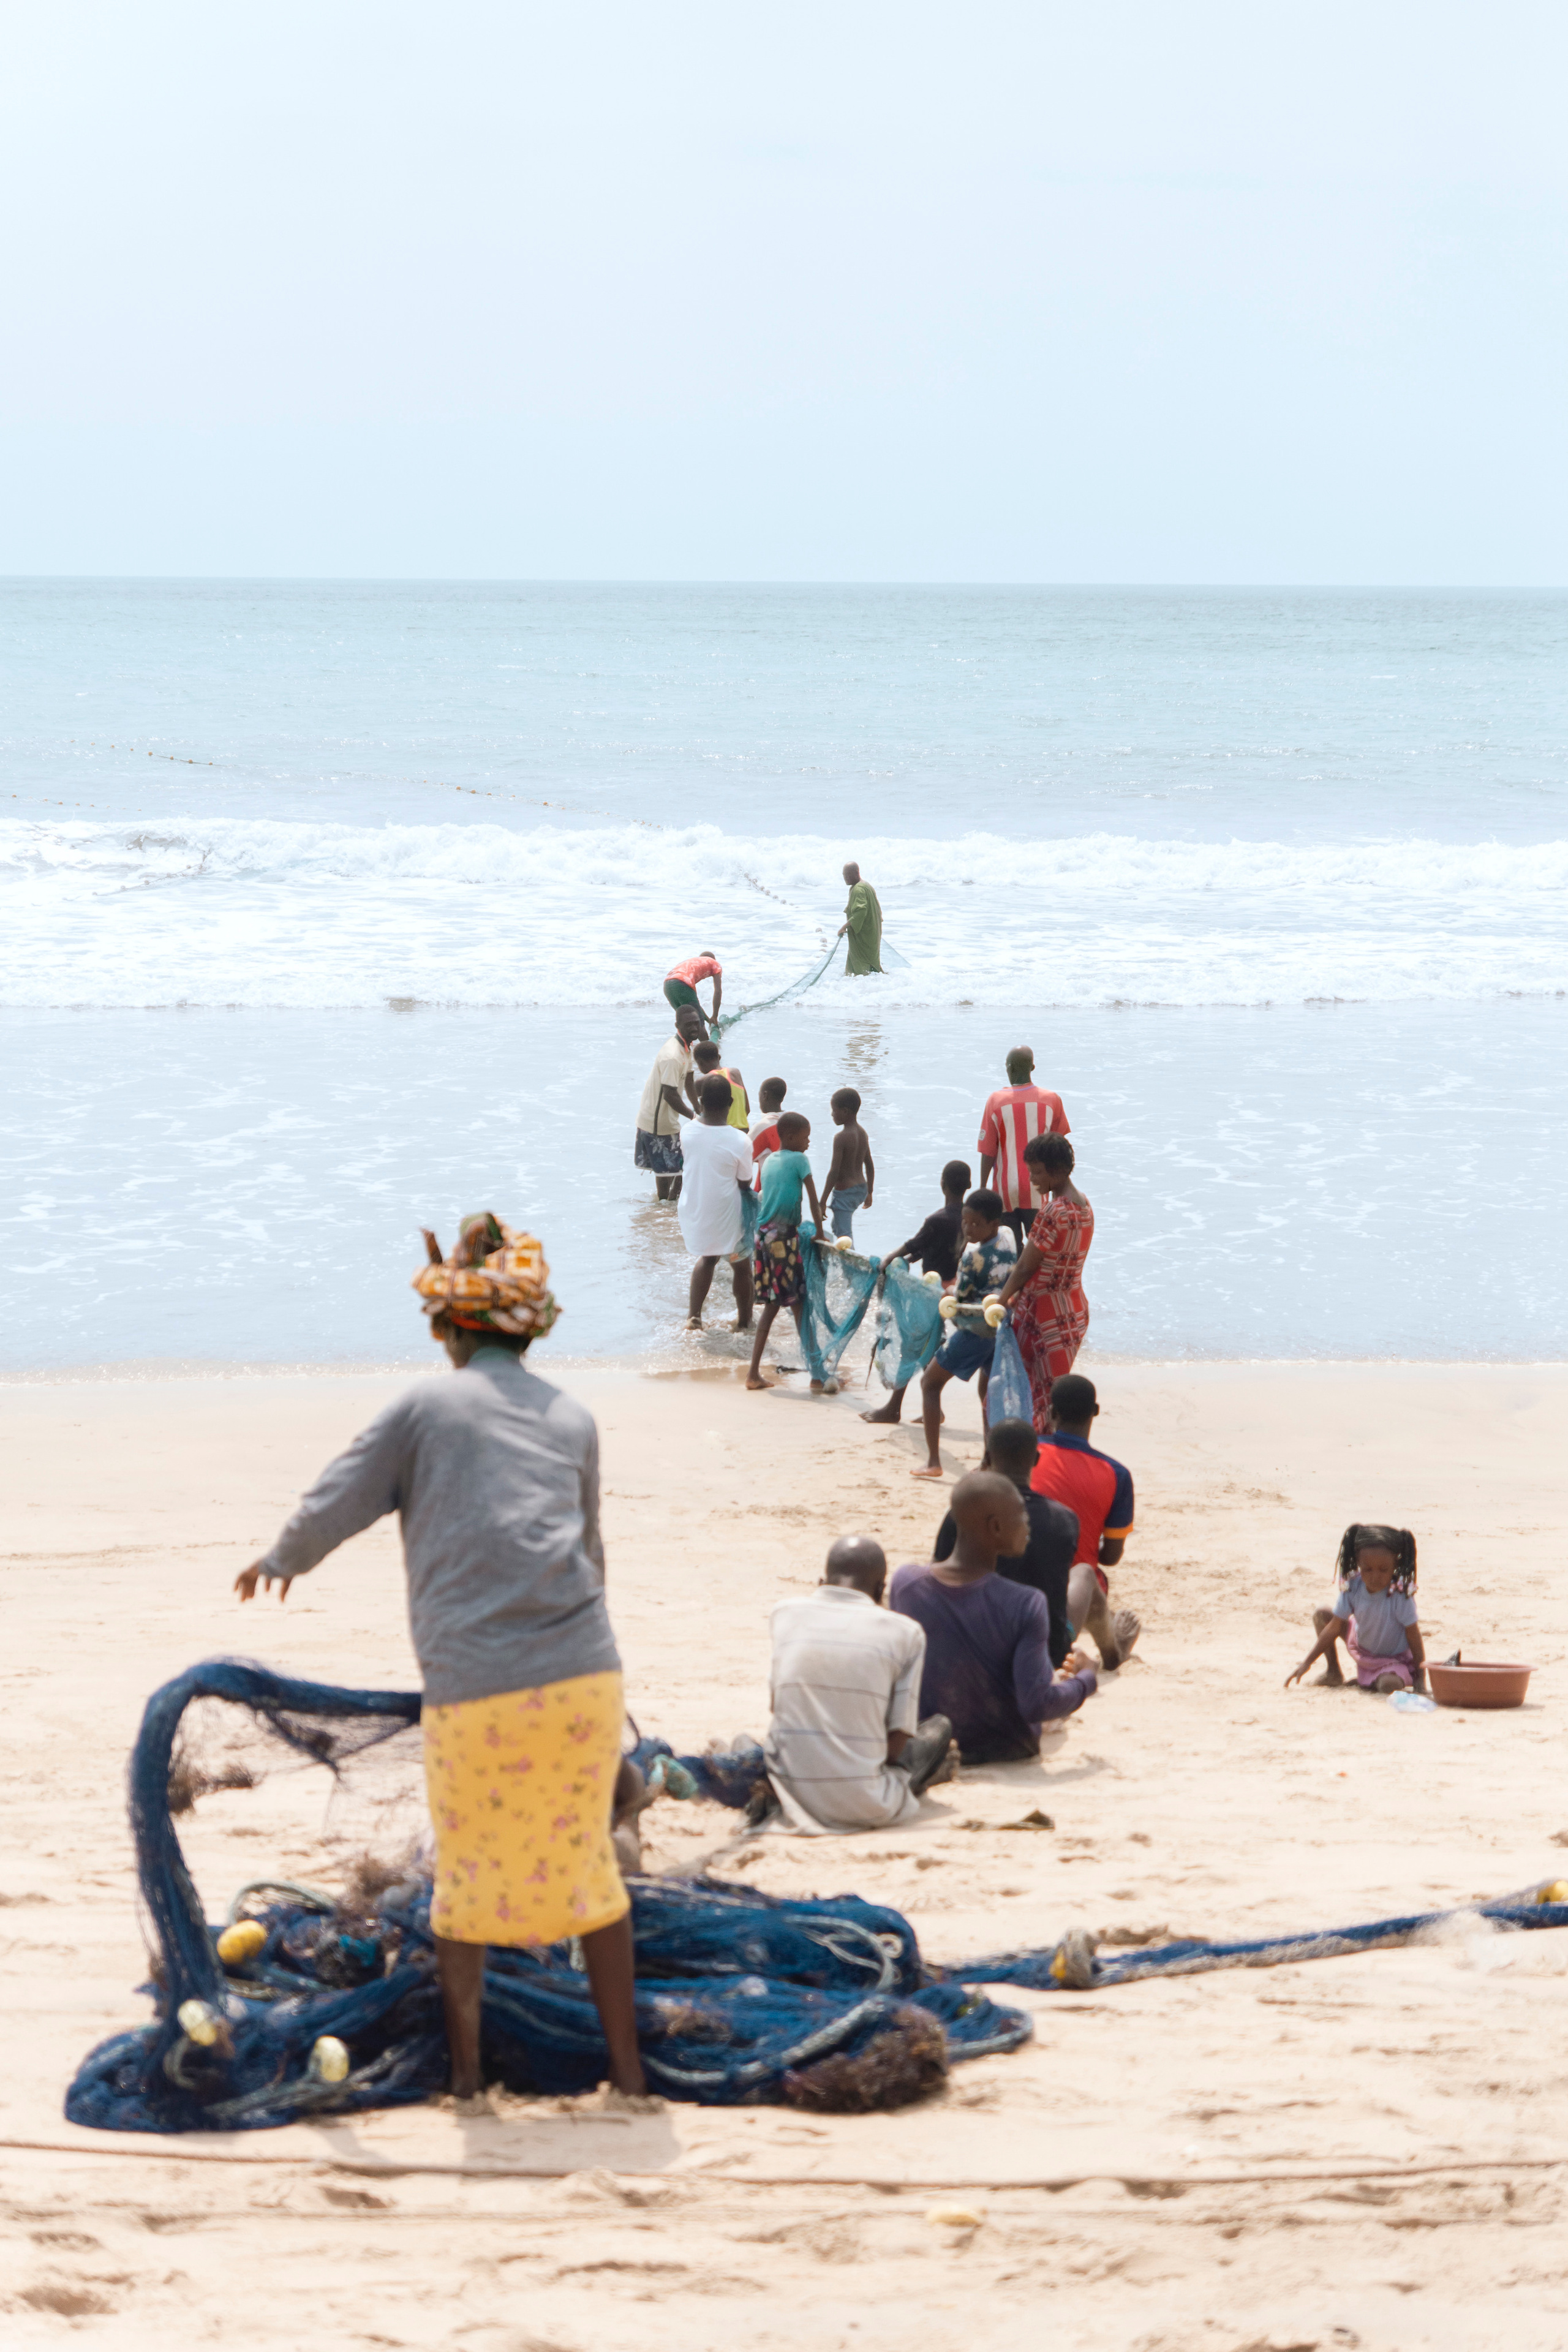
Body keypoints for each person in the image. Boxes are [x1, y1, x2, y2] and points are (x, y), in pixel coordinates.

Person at [233, 1216, 647, 2104]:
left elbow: (341, 1493)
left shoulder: (424, 1408)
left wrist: (281, 1559)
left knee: (466, 1876)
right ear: (528, 1328)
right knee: (591, 1868)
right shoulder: (571, 1416)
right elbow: (592, 1554)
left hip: (478, 1690)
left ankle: (463, 2083)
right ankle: (632, 2077)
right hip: (583, 1677)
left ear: (451, 1330)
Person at [889, 1472, 1098, 1763]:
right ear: (996, 1527)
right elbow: (1037, 1704)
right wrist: (1087, 1679)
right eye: (1021, 1516)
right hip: (1005, 1748)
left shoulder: (906, 1584)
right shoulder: (1025, 1603)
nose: (1028, 1525)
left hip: (932, 1744)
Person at [764, 1535, 954, 1834]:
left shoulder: (784, 1614)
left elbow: (778, 1708)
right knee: (938, 1729)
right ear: (881, 1590)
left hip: (790, 1792)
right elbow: (896, 1744)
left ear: (821, 1582)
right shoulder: (907, 1632)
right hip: (867, 1804)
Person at [933, 1419, 1079, 1666]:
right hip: (1049, 1654)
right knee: (1084, 1574)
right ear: (1036, 1459)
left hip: (975, 1649)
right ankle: (1112, 1651)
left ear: (988, 1458)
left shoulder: (965, 1513)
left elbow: (939, 1576)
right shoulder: (1064, 1519)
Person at [1029, 1374, 1140, 1671]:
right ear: (1096, 1412)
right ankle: (1112, 1650)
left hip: (1013, 1574)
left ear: (1052, 1413)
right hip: (1070, 1592)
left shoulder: (1027, 1453)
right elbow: (1112, 1556)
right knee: (1090, 1575)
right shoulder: (1117, 1474)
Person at [859, 1160, 973, 1429]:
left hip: (930, 1291)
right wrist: (910, 1259)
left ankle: (893, 1408)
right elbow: (930, 1247)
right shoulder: (967, 1219)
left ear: (942, 1185)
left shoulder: (937, 1219)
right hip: (950, 1286)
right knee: (930, 1346)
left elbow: (916, 1243)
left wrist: (891, 1258)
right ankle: (935, 1410)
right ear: (968, 1186)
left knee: (912, 1344)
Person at [911, 1189, 1016, 1479]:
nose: (968, 1229)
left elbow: (958, 1299)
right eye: (965, 1222)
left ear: (993, 1225)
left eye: (976, 1224)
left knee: (930, 1383)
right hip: (1001, 1329)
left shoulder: (973, 1258)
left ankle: (933, 1461)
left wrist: (942, 1291)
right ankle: (989, 1460)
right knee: (987, 1393)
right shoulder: (1008, 1237)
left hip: (976, 1331)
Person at [995, 1133, 1093, 1430]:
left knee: (1029, 1395)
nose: (1032, 1180)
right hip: (1073, 1311)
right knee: (1053, 1395)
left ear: (1058, 1170)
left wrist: (1001, 1301)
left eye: (1037, 1172)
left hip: (1043, 1316)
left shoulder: (1053, 1211)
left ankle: (1028, 1458)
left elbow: (1025, 1267)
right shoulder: (1084, 1206)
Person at [1286, 1526, 1427, 1695]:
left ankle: (1370, 1681)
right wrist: (1307, 1662)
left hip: (1392, 1660)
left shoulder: (1400, 1595)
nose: (1375, 1577)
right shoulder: (1353, 1586)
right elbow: (1334, 1626)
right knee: (1322, 1614)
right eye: (1368, 1569)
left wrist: (1420, 1679)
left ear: (1395, 1564)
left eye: (1384, 1570)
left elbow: (1414, 1636)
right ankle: (1333, 1672)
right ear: (1358, 1563)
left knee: (1389, 1685)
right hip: (1361, 1646)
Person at [746, 1110, 824, 1393]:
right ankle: (818, 1374)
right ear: (790, 1137)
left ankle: (754, 1372)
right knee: (799, 1306)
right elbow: (814, 1201)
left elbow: (766, 1197)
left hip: (763, 1239)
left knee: (773, 1304)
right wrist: (819, 1232)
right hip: (783, 1242)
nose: (808, 1142)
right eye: (805, 1137)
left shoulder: (769, 1163)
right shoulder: (800, 1160)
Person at [679, 1074, 757, 1332]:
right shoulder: (740, 1141)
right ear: (732, 1102)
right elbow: (745, 1183)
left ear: (700, 1101)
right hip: (727, 1215)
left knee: (708, 1258)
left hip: (696, 1211)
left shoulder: (687, 1132)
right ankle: (745, 1322)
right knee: (741, 1265)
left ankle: (694, 1316)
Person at [977, 1047, 1071, 1253]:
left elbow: (988, 1152)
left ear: (1008, 1068)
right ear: (1033, 1068)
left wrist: (983, 1188)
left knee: (1010, 1251)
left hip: (1004, 1191)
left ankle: (1012, 1285)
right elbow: (1060, 1151)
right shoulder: (1051, 1100)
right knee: (1039, 1250)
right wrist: (1060, 1189)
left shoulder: (995, 1101)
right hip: (1038, 1188)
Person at [635, 1004, 705, 1201]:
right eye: (689, 1025)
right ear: (677, 1025)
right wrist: (693, 1117)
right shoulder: (672, 1056)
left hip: (668, 1119)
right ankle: (664, 1209)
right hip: (658, 1122)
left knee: (676, 1169)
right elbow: (670, 1095)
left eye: (697, 1024)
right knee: (670, 1172)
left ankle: (666, 1206)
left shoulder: (686, 1048)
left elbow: (689, 1079)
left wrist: (697, 1107)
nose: (694, 1029)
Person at [820, 1087, 875, 1242]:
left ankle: (850, 1263)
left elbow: (834, 1172)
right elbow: (869, 1165)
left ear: (845, 1112)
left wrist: (823, 1201)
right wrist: (870, 1192)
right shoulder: (863, 1133)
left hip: (845, 1192)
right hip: (861, 1189)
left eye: (834, 1110)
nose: (832, 1114)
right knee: (837, 1226)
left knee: (844, 1236)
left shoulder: (841, 1137)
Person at [691, 1038, 750, 1129]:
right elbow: (747, 1110)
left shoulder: (701, 1082)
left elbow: (702, 1115)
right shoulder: (736, 1073)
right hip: (744, 1132)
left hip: (721, 1132)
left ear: (700, 1063)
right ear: (719, 1057)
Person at [837, 862, 883, 975]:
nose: (845, 878)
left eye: (847, 876)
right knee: (872, 967)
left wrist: (844, 927)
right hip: (872, 933)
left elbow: (860, 912)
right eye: (844, 876)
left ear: (856, 873)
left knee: (860, 969)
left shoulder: (859, 889)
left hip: (864, 935)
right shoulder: (866, 886)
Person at [663, 951, 722, 1036]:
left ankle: (686, 1046)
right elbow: (718, 991)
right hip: (682, 983)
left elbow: (696, 1006)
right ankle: (706, 1047)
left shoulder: (691, 963)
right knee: (698, 1023)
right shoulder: (714, 963)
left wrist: (709, 1020)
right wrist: (715, 1016)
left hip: (667, 985)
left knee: (687, 1020)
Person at [750, 1077, 788, 1189]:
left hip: (768, 1196)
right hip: (790, 1195)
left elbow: (741, 1157)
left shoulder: (764, 1126)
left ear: (765, 1095)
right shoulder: (791, 1124)